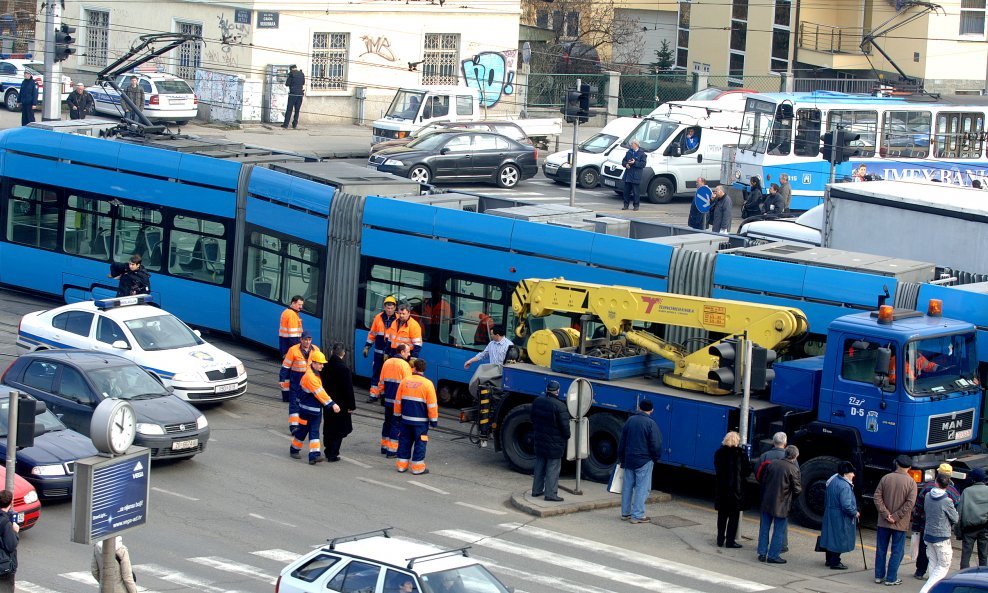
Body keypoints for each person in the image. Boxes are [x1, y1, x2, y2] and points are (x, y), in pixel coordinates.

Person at [873, 455, 918, 585]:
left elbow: (877, 497)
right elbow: (910, 504)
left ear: (896, 464)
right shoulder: (911, 483)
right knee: (897, 551)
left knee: (881, 549)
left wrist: (886, 514)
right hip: (900, 524)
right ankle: (891, 578)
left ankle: (878, 576)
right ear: (909, 467)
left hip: (883, 521)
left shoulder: (886, 478)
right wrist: (896, 516)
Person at [617, 399, 662, 524]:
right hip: (644, 460)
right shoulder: (651, 424)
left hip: (629, 459)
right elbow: (656, 444)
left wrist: (622, 458)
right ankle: (637, 515)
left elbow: (622, 441)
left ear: (639, 408)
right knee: (642, 488)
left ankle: (625, 513)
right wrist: (655, 457)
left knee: (627, 487)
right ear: (651, 410)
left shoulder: (630, 421)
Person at [912, 463, 960, 580]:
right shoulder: (954, 493)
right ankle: (935, 580)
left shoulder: (927, 488)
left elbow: (918, 508)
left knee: (925, 551)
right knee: (941, 560)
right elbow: (955, 514)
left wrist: (915, 525)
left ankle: (920, 571)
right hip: (942, 532)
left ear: (938, 474)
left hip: (926, 527)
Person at [290, 351, 339, 465]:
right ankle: (300, 451)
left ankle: (311, 454)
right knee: (308, 431)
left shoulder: (312, 373)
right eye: (320, 364)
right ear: (314, 363)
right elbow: (320, 393)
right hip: (311, 410)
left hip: (307, 409)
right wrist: (332, 404)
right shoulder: (311, 377)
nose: (322, 366)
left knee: (310, 431)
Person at [757, 445, 801, 564]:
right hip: (782, 504)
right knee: (778, 530)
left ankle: (762, 553)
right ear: (795, 456)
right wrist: (790, 499)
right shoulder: (793, 469)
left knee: (764, 528)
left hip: (767, 501)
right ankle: (773, 555)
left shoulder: (772, 464)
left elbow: (764, 480)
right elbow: (797, 490)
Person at [394, 358, 438, 475]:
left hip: (405, 420)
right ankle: (417, 468)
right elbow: (432, 405)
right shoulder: (428, 384)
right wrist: (433, 421)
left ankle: (401, 466)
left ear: (414, 367)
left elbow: (398, 401)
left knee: (404, 441)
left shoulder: (405, 381)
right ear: (424, 369)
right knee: (420, 443)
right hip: (421, 422)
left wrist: (397, 416)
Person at [530, 380, 570, 502]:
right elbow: (565, 428)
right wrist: (566, 436)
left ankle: (536, 490)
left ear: (547, 390)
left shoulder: (537, 402)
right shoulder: (561, 406)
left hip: (540, 439)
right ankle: (550, 494)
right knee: (553, 467)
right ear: (558, 391)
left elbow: (532, 419)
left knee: (539, 465)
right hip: (555, 443)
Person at [920, 472, 959, 593]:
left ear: (936, 483)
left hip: (928, 534)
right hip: (941, 538)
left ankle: (934, 590)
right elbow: (955, 518)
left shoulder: (927, 496)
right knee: (943, 565)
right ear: (947, 486)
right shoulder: (947, 501)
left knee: (933, 564)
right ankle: (926, 590)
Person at [713, 431, 751, 548]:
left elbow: (717, 469)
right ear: (736, 441)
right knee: (733, 518)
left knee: (722, 517)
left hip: (722, 491)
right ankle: (730, 541)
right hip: (736, 492)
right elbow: (747, 472)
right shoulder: (741, 454)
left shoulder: (719, 453)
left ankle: (720, 539)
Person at [819, 461, 858, 570]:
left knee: (830, 536)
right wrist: (855, 512)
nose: (853, 475)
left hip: (830, 512)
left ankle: (829, 559)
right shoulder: (845, 486)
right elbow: (846, 505)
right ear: (845, 474)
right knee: (839, 537)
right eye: (851, 473)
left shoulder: (833, 480)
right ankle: (835, 561)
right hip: (840, 515)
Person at [279, 331, 321, 431]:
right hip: (296, 381)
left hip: (309, 382)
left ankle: (302, 425)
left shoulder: (316, 349)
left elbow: (320, 365)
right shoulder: (293, 350)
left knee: (305, 404)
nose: (307, 342)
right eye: (305, 339)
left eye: (309, 340)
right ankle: (293, 426)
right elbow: (286, 366)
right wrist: (282, 379)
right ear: (301, 340)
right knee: (294, 404)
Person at [321, 342, 356, 462]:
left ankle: (327, 450)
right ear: (343, 354)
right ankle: (333, 453)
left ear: (332, 352)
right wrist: (351, 405)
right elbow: (348, 389)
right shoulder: (344, 369)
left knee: (328, 426)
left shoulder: (325, 366)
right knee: (339, 429)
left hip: (327, 403)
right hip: (341, 404)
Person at [379, 343, 413, 457]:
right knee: (396, 424)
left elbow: (381, 382)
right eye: (408, 352)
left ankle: (384, 447)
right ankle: (392, 451)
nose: (409, 354)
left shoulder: (387, 362)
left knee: (387, 422)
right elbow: (408, 385)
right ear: (402, 352)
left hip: (387, 399)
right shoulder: (405, 365)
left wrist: (382, 396)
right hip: (398, 402)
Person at [363, 295, 398, 403]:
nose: (389, 310)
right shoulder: (378, 318)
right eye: (388, 307)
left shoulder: (398, 319)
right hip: (378, 352)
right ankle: (373, 395)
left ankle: (384, 396)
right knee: (376, 373)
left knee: (388, 376)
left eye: (392, 308)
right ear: (384, 307)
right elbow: (372, 333)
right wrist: (367, 346)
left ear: (394, 308)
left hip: (390, 353)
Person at [957, 466, 988, 569]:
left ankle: (963, 577)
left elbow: (960, 512)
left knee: (966, 555)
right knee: (983, 555)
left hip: (969, 529)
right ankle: (983, 578)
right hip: (985, 528)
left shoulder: (967, 491)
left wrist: (958, 532)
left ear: (973, 479)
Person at [620, 140, 647, 211]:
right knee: (626, 192)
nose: (631, 145)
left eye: (632, 144)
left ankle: (636, 206)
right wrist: (626, 164)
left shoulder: (642, 154)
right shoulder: (629, 152)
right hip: (628, 175)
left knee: (636, 192)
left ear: (636, 145)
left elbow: (643, 164)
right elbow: (623, 161)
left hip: (636, 176)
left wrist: (635, 163)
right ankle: (626, 205)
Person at [0, 490, 18, 593]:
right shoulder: (5, 522)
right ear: (11, 502)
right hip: (3, 566)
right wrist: (15, 532)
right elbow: (11, 545)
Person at [283, 64, 305, 129]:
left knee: (289, 109)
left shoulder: (291, 74)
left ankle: (286, 124)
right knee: (297, 110)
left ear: (291, 69)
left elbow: (287, 84)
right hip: (300, 94)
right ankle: (294, 124)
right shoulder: (301, 73)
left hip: (293, 94)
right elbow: (303, 82)